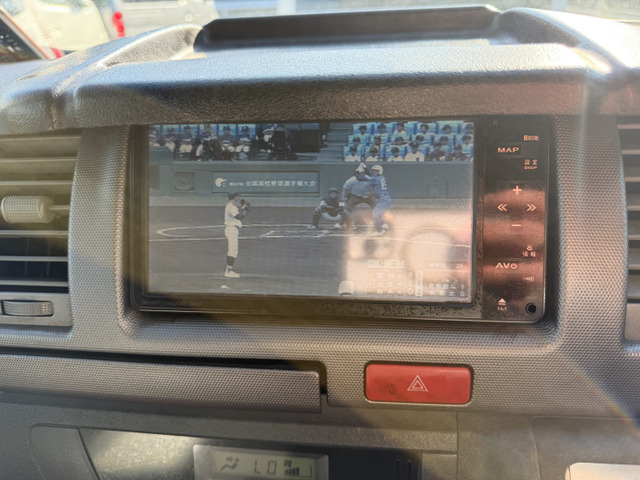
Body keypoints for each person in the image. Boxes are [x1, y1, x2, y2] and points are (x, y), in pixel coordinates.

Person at [341, 164, 376, 230]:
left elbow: (376, 187)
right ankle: (343, 223)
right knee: (346, 209)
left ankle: (382, 223)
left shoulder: (369, 179)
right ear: (357, 174)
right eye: (360, 174)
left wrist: (371, 194)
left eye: (363, 173)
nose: (362, 175)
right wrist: (342, 198)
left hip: (368, 197)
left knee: (378, 207)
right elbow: (344, 188)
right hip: (356, 196)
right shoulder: (352, 180)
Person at [223, 193, 250, 278]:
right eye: (238, 197)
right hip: (231, 229)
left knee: (233, 251)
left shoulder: (233, 206)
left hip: (233, 229)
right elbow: (239, 217)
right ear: (234, 198)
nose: (239, 199)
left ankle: (228, 270)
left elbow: (238, 211)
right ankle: (228, 271)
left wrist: (243, 207)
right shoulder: (230, 206)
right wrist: (245, 210)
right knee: (233, 251)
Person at [369, 164, 392, 234]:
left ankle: (380, 230)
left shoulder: (376, 179)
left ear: (379, 172)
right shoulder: (381, 177)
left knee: (375, 214)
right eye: (373, 171)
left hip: (383, 198)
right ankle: (384, 225)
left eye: (375, 171)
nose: (373, 172)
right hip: (384, 198)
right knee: (380, 214)